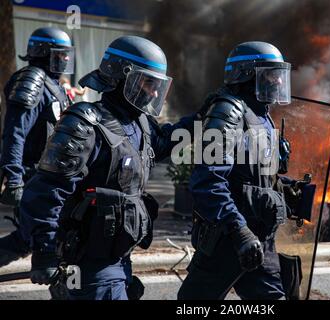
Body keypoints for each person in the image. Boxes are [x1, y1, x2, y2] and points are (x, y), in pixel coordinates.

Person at [20, 35, 199, 300]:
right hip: (86, 265)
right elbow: (46, 192)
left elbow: (160, 145)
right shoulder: (84, 123)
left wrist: (202, 118)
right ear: (120, 76)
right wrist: (44, 252)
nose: (152, 92)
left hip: (119, 259)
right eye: (147, 82)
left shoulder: (140, 124)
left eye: (156, 85)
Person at [178, 41, 295, 300]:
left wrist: (283, 187)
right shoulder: (228, 111)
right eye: (271, 75)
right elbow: (208, 181)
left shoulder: (262, 114)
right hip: (229, 238)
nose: (277, 82)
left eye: (279, 75)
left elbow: (254, 174)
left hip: (261, 236)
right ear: (247, 74)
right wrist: (239, 231)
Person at [0, 27, 73, 267]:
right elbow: (15, 133)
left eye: (66, 55)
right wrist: (13, 178)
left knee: (41, 239)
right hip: (34, 177)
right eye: (60, 54)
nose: (65, 60)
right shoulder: (32, 81)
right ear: (44, 52)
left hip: (51, 177)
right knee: (36, 239)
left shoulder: (53, 85)